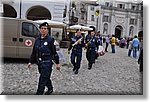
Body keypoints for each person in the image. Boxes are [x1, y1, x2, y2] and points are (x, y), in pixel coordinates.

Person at [27, 22, 60, 95]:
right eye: (42, 28)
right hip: (40, 63)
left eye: (45, 29)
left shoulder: (50, 40)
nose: (43, 30)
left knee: (42, 80)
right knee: (45, 77)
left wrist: (57, 63)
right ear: (40, 29)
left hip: (47, 63)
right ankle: (50, 88)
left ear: (47, 30)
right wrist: (30, 62)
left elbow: (54, 52)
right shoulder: (37, 39)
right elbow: (34, 52)